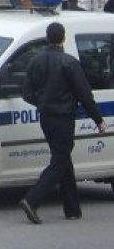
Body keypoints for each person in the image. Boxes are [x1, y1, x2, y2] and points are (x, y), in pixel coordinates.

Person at [19, 22, 107, 224]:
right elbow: (84, 94)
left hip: (45, 118)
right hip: (63, 118)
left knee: (63, 158)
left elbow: (26, 93)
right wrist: (99, 120)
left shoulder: (35, 61)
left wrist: (41, 103)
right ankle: (32, 200)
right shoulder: (69, 62)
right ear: (63, 38)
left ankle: (72, 208)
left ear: (47, 37)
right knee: (59, 161)